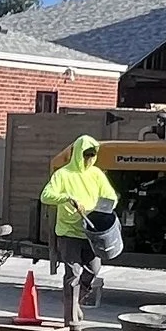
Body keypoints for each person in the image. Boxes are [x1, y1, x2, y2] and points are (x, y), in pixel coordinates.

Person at [39, 134, 120, 320]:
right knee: (73, 274)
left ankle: (75, 302)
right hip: (69, 232)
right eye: (86, 154)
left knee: (93, 270)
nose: (89, 159)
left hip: (91, 234)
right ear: (78, 154)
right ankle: (70, 319)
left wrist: (101, 210)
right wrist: (67, 197)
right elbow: (46, 196)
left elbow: (110, 197)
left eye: (92, 154)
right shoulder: (63, 175)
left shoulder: (97, 175)